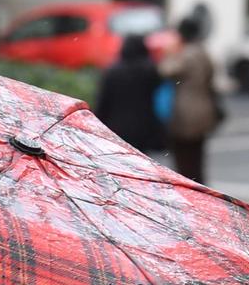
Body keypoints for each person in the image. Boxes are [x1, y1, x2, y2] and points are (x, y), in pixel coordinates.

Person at [160, 16, 221, 183]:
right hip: (205, 109)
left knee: (184, 161)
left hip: (186, 113)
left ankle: (192, 195)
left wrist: (169, 53)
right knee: (197, 157)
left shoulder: (187, 54)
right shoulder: (203, 52)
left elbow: (166, 70)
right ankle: (202, 190)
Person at [94, 33, 166, 155]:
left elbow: (104, 101)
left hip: (118, 126)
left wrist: (98, 125)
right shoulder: (150, 70)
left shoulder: (113, 72)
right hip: (145, 125)